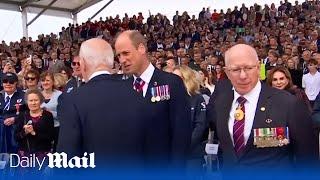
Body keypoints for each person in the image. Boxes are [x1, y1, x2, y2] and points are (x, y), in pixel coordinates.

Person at [207, 44, 317, 174]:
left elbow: (308, 159)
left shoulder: (288, 103)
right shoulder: (221, 103)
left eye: (248, 68)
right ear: (226, 72)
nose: (243, 75)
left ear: (258, 67)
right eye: (235, 70)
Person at [57, 38, 148, 168]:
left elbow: (66, 158)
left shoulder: (72, 100)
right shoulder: (138, 92)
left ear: (83, 64)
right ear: (111, 63)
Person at [115, 30, 191, 168]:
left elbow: (181, 133)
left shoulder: (171, 83)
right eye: (119, 56)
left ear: (141, 48)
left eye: (126, 53)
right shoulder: (121, 88)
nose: (122, 60)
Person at [173, 65, 208, 173]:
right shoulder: (169, 99)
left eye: (178, 78)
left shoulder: (197, 98)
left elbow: (200, 126)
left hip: (192, 155)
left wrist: (184, 146)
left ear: (187, 79)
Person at [14, 89, 54, 172]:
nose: (33, 103)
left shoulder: (48, 115)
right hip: (24, 156)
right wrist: (25, 132)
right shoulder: (23, 115)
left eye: (36, 100)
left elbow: (50, 137)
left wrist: (34, 133)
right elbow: (16, 137)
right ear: (27, 102)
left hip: (42, 155)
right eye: (31, 100)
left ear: (41, 101)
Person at [0, 73, 26, 154]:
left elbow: (28, 113)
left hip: (15, 131)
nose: (8, 84)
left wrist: (15, 119)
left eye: (11, 82)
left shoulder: (24, 95)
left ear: (16, 83)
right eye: (5, 81)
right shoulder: (0, 95)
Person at [40, 71, 62, 152]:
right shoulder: (38, 94)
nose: (45, 82)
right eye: (43, 80)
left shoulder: (60, 95)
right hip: (41, 128)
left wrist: (50, 114)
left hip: (56, 127)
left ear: (52, 82)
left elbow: (63, 113)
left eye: (47, 80)